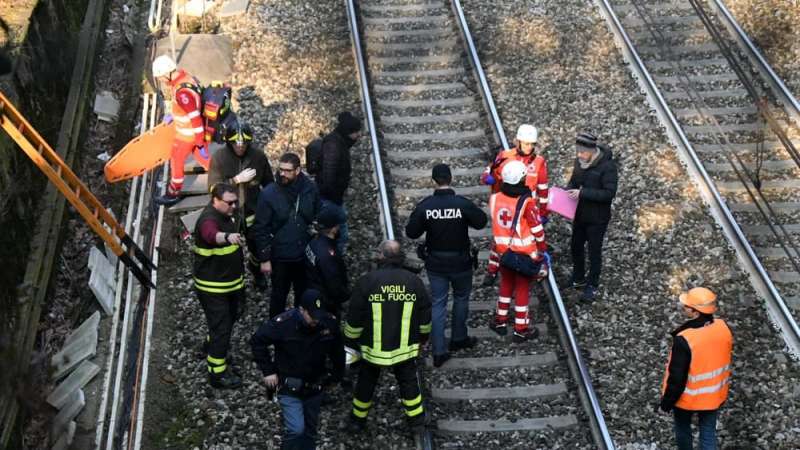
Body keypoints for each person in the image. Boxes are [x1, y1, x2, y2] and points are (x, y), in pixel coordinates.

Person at [342, 240, 431, 433]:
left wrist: (351, 342)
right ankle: (417, 422)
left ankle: (357, 420)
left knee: (366, 383)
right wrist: (423, 338)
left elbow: (354, 317)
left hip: (373, 350)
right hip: (405, 348)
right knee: (408, 383)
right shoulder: (414, 281)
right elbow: (425, 316)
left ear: (382, 256)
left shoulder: (367, 281)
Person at [405, 163, 487, 368]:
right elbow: (481, 221)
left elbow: (411, 232)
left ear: (434, 180)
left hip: (436, 264)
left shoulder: (426, 205)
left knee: (439, 304)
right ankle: (459, 338)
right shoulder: (462, 203)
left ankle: (439, 351)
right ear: (450, 179)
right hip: (461, 262)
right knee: (461, 298)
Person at [251, 289, 340, 450]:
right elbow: (257, 341)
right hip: (289, 387)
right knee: (296, 430)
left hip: (315, 386)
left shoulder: (328, 323)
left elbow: (337, 351)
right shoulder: (283, 324)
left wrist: (336, 376)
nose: (315, 321)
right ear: (301, 310)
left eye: (318, 317)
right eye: (311, 316)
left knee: (310, 431)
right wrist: (268, 371)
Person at [659, 287, 732, 450]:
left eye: (687, 306)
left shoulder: (685, 339)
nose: (683, 308)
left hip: (686, 399)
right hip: (713, 396)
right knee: (708, 433)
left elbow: (677, 377)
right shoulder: (722, 328)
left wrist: (666, 403)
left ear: (695, 312)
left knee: (683, 429)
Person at [207, 121, 274, 291]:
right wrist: (236, 181)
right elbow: (213, 188)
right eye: (236, 144)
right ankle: (234, 280)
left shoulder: (258, 157)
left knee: (258, 249)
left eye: (244, 144)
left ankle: (256, 273)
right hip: (229, 215)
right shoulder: (219, 158)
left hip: (252, 213)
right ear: (229, 142)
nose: (240, 147)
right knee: (229, 252)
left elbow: (269, 184)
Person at [253, 152, 320, 318]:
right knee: (278, 296)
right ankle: (276, 330)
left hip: (304, 253)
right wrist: (264, 259)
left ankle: (299, 328)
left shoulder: (310, 188)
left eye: (287, 170)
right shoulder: (269, 193)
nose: (282, 173)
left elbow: (317, 211)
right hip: (280, 255)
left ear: (297, 170)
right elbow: (260, 227)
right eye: (280, 169)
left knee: (303, 294)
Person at [487, 161, 548, 343]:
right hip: (524, 253)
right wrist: (542, 249)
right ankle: (521, 328)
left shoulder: (495, 198)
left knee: (506, 284)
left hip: (503, 252)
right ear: (521, 179)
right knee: (522, 289)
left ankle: (500, 320)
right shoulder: (526, 202)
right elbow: (537, 229)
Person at [193, 183, 245, 389]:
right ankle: (217, 373)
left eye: (235, 202)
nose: (233, 206)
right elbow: (210, 235)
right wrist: (227, 237)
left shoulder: (227, 214)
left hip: (229, 284)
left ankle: (211, 345)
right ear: (215, 200)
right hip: (213, 287)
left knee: (229, 319)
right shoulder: (208, 220)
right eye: (229, 203)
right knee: (222, 327)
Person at [566, 132, 618, 302]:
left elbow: (609, 193)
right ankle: (578, 277)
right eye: (578, 152)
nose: (579, 155)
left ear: (592, 150)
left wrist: (582, 193)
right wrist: (566, 191)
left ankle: (592, 284)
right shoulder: (579, 163)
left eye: (582, 152)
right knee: (576, 246)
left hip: (597, 218)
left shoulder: (608, 167)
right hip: (580, 214)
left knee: (594, 251)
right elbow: (574, 181)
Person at [151, 55, 209, 206]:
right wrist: (174, 114)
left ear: (166, 73)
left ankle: (173, 193)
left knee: (176, 161)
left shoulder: (181, 92)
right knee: (205, 160)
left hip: (187, 135)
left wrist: (199, 142)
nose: (161, 81)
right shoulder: (187, 78)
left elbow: (194, 117)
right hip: (195, 134)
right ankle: (224, 180)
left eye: (160, 78)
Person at [305, 207, 351, 385]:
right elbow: (334, 284)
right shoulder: (327, 254)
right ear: (333, 228)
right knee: (329, 337)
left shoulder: (313, 243)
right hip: (325, 303)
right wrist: (345, 297)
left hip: (314, 295)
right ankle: (330, 374)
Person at [312, 111, 362, 255]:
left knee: (337, 229)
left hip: (332, 196)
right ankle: (334, 257)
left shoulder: (340, 141)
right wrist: (334, 199)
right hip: (329, 197)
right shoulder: (333, 146)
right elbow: (329, 175)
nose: (359, 135)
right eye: (356, 132)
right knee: (340, 231)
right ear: (348, 132)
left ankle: (333, 255)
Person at [480, 124, 549, 215]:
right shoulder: (505, 156)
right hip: (505, 206)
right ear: (518, 142)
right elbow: (488, 171)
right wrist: (486, 177)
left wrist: (543, 213)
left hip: (527, 208)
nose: (530, 147)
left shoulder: (539, 162)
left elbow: (543, 190)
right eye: (526, 144)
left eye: (533, 144)